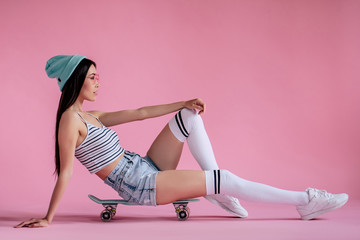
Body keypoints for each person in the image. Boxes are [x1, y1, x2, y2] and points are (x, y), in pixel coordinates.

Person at [15, 55, 348, 228]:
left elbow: (140, 112)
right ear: (76, 81)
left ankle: (219, 192)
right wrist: (48, 218)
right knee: (226, 178)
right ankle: (305, 200)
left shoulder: (91, 115)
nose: (98, 81)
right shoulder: (69, 122)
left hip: (143, 166)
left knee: (190, 117)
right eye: (91, 77)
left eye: (98, 75)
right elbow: (68, 172)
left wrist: (182, 102)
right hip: (139, 184)